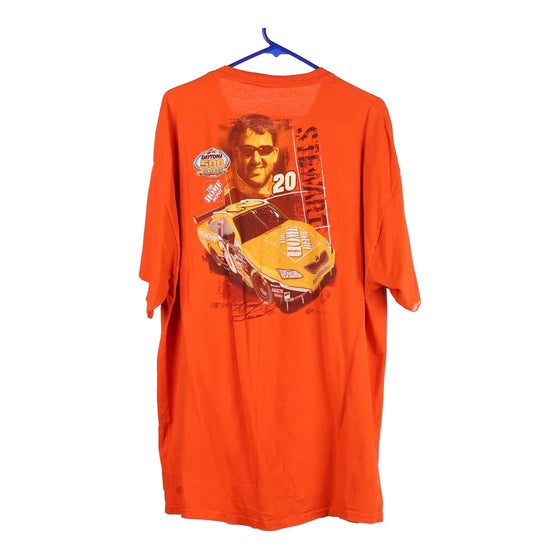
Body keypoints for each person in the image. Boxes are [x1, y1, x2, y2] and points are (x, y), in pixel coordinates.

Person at [224, 114, 280, 204]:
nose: (256, 160)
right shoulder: (222, 197)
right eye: (247, 150)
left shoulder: (290, 193)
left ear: (275, 154)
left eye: (265, 150)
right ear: (236, 154)